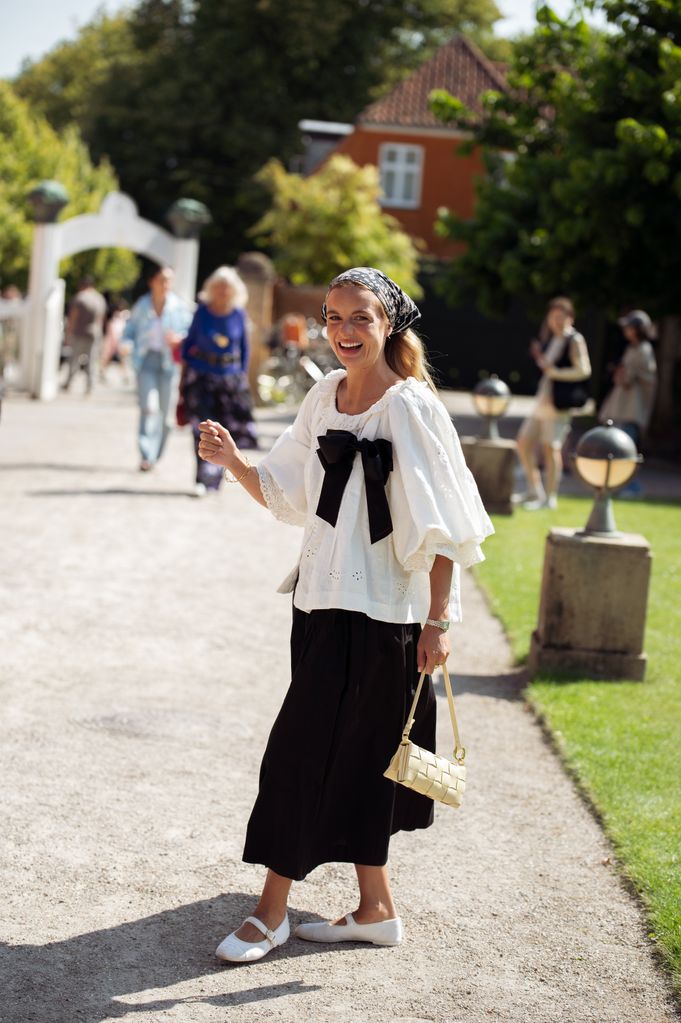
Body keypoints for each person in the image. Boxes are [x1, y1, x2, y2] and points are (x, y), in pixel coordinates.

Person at [198, 266, 493, 963]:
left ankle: (269, 912)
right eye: (332, 317)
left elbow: (446, 523)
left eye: (359, 317)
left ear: (388, 323)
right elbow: (288, 492)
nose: (343, 331)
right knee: (358, 760)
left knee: (301, 752)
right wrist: (235, 461)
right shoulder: (323, 395)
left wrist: (439, 621)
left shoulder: (411, 408)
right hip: (318, 602)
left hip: (387, 616)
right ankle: (376, 908)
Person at [180, 266, 257, 496]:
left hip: (229, 380)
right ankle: (201, 479)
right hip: (202, 378)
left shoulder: (238, 315)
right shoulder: (202, 312)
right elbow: (188, 345)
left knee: (224, 431)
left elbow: (245, 349)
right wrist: (186, 374)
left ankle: (215, 479)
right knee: (202, 430)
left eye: (227, 287)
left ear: (234, 291)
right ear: (211, 289)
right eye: (218, 286)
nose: (223, 291)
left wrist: (241, 378)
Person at [516, 296, 591, 510]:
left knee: (551, 449)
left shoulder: (574, 339)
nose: (556, 321)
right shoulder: (552, 338)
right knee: (523, 443)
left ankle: (550, 498)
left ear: (570, 318)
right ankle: (534, 490)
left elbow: (584, 370)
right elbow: (547, 368)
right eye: (553, 317)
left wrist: (556, 373)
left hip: (558, 404)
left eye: (561, 317)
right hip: (543, 400)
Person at [122, 266, 192, 471]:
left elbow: (189, 334)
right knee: (148, 408)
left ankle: (157, 454)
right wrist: (126, 344)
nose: (166, 284)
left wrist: (179, 340)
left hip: (169, 364)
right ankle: (146, 455)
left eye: (169, 280)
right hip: (146, 362)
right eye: (162, 279)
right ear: (152, 281)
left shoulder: (178, 307)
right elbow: (129, 331)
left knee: (166, 415)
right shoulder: (142, 306)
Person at [599, 310, 657, 496]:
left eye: (630, 327)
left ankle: (632, 486)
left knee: (626, 450)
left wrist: (620, 373)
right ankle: (620, 485)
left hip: (631, 410)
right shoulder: (632, 348)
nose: (626, 330)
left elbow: (628, 379)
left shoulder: (643, 350)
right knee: (617, 450)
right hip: (621, 408)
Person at [62, 277, 107, 395]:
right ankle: (90, 385)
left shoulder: (80, 297)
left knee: (74, 359)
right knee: (92, 360)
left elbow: (73, 317)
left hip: (79, 332)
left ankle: (69, 382)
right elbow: (101, 318)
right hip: (95, 333)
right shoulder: (99, 298)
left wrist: (68, 334)